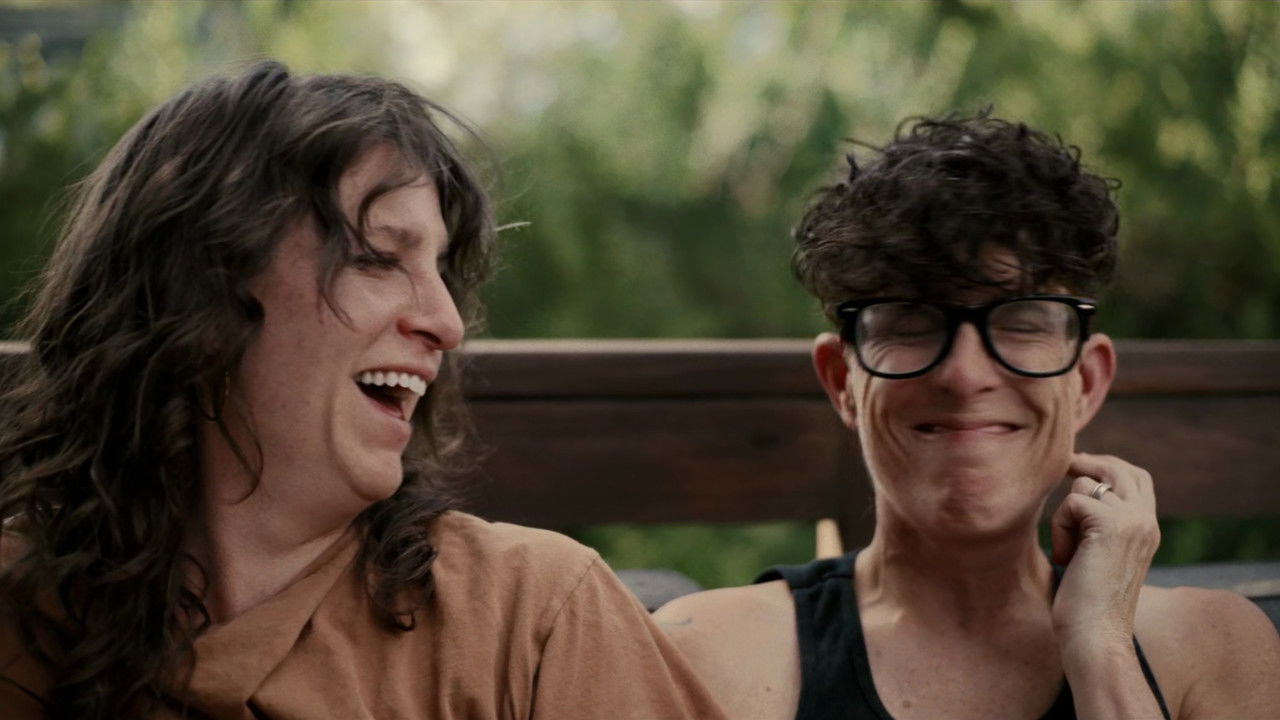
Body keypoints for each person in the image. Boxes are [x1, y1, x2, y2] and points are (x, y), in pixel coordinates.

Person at [0, 61, 727, 720]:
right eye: (378, 256)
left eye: (442, 270)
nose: (447, 323)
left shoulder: (533, 619)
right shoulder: (22, 616)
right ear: (201, 288)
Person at [655, 112, 1280, 719]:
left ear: (1086, 382)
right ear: (845, 382)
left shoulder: (1214, 649)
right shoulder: (710, 655)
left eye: (1021, 322)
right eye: (911, 322)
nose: (964, 375)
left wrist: (1103, 651)